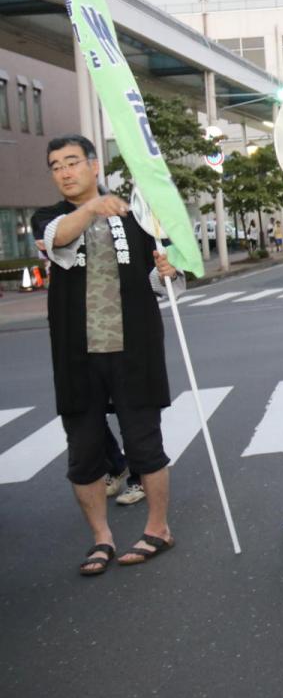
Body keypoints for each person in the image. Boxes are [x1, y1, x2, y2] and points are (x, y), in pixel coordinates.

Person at [30, 135, 184, 576]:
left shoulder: (135, 215)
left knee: (144, 444)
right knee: (83, 450)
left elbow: (161, 279)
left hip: (133, 348)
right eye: (55, 165)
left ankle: (158, 528)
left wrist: (168, 270)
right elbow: (55, 239)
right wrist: (93, 209)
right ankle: (102, 537)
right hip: (76, 354)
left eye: (73, 161)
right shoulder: (51, 218)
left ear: (94, 166)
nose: (64, 171)